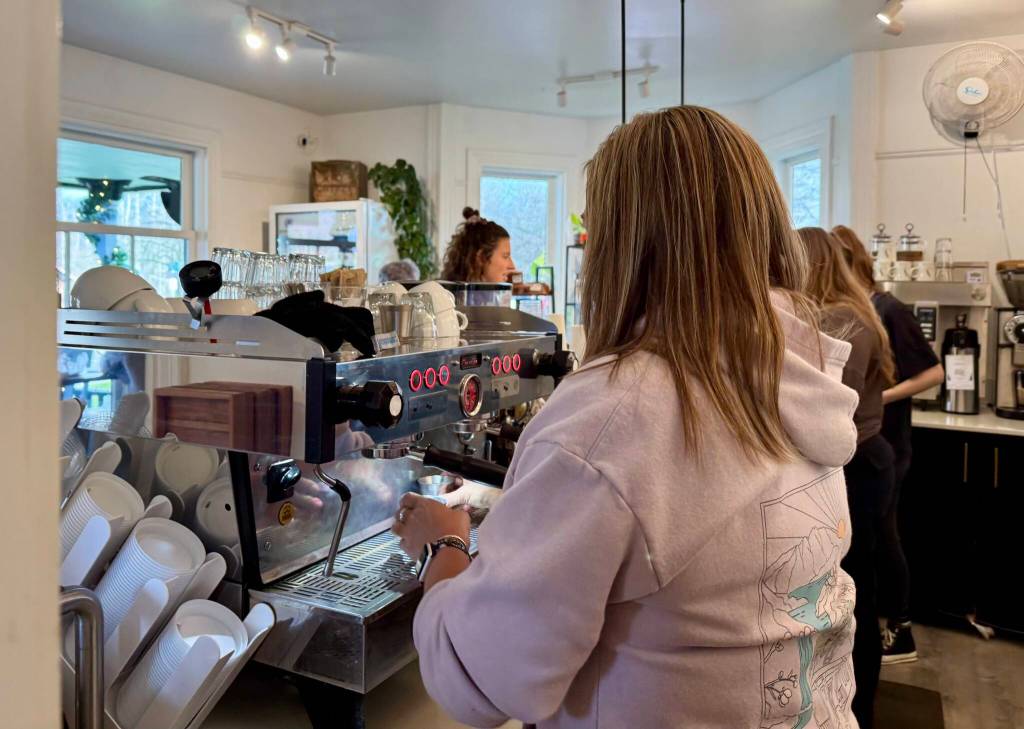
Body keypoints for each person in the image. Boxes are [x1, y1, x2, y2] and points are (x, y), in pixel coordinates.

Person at [390, 106, 861, 729]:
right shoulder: (795, 378)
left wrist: (444, 544)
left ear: (620, 245)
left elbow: (488, 678)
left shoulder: (613, 416)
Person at [832, 224, 943, 664]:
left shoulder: (886, 308)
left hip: (887, 443)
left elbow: (931, 374)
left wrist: (877, 396)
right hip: (868, 442)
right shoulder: (851, 311)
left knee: (885, 534)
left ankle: (900, 628)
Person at [800, 226, 896, 729]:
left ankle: (857, 709)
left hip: (857, 464)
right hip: (870, 459)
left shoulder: (839, 320)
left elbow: (831, 409)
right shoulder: (858, 312)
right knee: (862, 585)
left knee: (852, 593)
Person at [440, 207, 516, 283]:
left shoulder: (493, 294)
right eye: (505, 256)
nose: (512, 266)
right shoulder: (442, 294)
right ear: (481, 257)